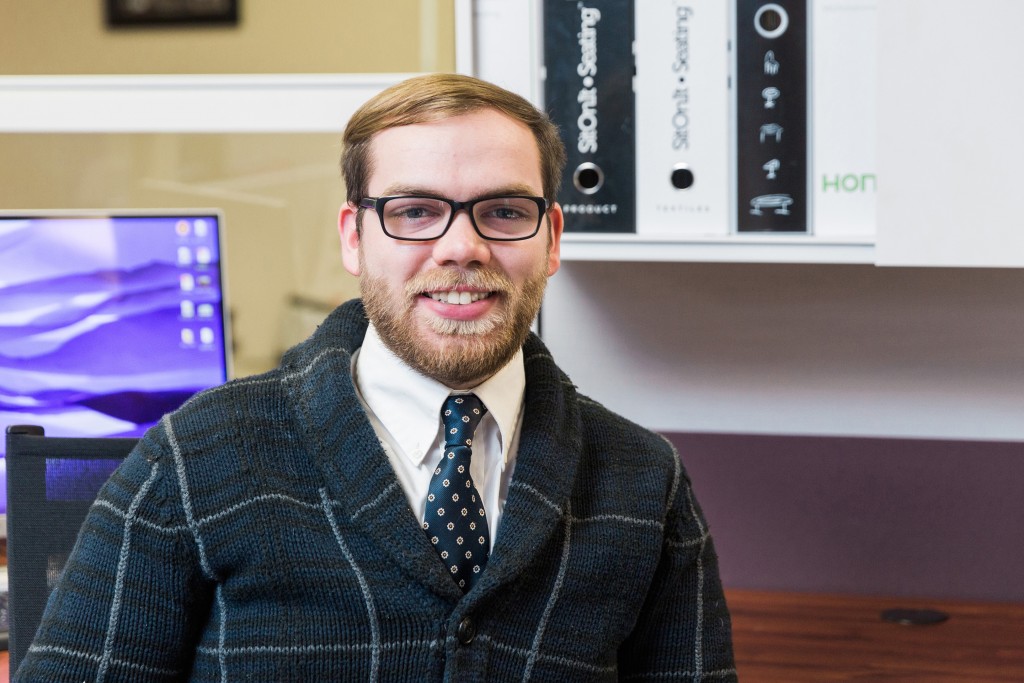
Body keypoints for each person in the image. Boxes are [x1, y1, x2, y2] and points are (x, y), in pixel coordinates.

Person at [15, 73, 735, 682]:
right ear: (354, 238)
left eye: (504, 211)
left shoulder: (645, 485)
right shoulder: (196, 457)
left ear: (551, 239)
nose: (461, 247)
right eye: (414, 211)